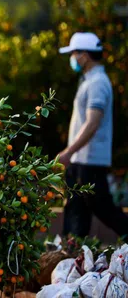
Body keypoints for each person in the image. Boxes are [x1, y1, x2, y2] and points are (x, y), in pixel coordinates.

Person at [58, 32, 128, 241]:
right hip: (82, 160)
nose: (72, 58)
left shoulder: (98, 83)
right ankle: (70, 255)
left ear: (84, 56)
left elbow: (92, 123)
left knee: (103, 208)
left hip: (90, 161)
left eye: (74, 53)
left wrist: (69, 151)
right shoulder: (89, 80)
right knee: (76, 210)